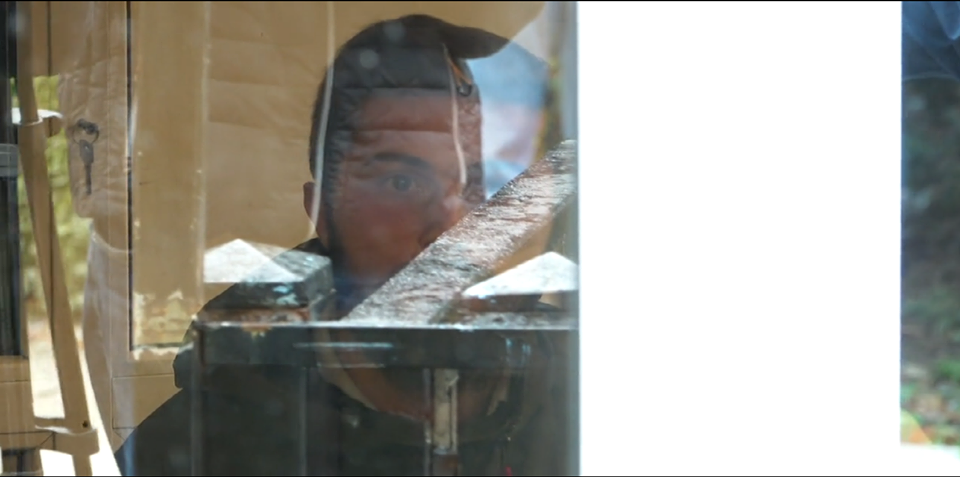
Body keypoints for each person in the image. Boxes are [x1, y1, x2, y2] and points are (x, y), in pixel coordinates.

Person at [115, 14, 571, 476]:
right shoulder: (202, 446)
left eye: (489, 188)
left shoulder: (594, 412)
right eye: (401, 183)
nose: (450, 231)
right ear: (323, 213)